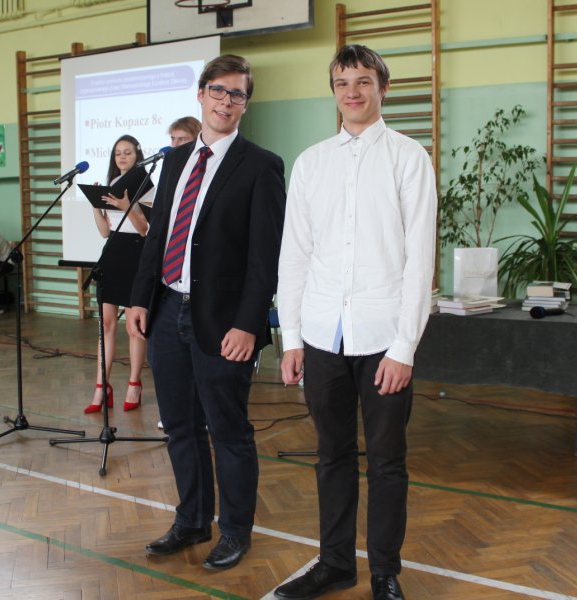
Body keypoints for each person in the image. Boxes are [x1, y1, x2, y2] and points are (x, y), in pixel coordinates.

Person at [274, 45, 437, 600]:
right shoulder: (311, 162)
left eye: (363, 81)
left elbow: (420, 261)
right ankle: (335, 563)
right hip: (322, 335)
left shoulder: (408, 158)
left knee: (387, 461)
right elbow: (294, 256)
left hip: (384, 338)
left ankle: (385, 571)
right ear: (333, 91)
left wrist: (405, 347)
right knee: (331, 456)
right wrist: (291, 338)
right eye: (342, 82)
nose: (352, 92)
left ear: (382, 88)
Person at [127, 54, 286, 571]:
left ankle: (235, 531)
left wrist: (248, 324)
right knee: (180, 426)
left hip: (224, 324)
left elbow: (265, 258)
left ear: (245, 105)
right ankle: (192, 519)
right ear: (201, 94)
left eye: (237, 94)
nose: (226, 101)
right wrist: (139, 298)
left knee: (228, 430)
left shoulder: (261, 165)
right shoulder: (175, 161)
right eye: (218, 90)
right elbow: (158, 239)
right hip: (167, 311)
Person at [84, 134, 153, 414]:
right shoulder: (112, 183)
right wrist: (95, 207)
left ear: (138, 155)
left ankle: (134, 384)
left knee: (134, 327)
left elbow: (145, 229)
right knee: (106, 324)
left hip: (136, 254)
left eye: (127, 152)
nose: (122, 157)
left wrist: (127, 207)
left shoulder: (145, 184)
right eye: (117, 153)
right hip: (111, 253)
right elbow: (104, 231)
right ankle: (102, 386)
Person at [155, 115, 202, 430]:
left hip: (205, 296)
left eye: (181, 140)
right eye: (171, 139)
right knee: (177, 419)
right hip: (169, 295)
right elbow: (158, 234)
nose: (174, 146)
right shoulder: (171, 168)